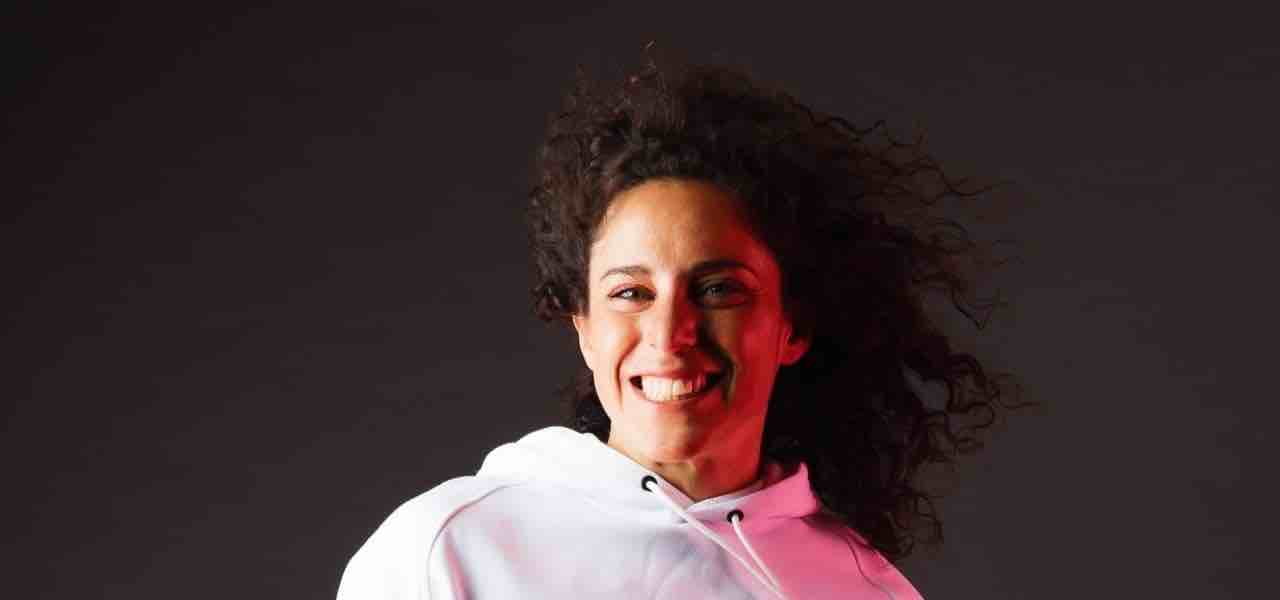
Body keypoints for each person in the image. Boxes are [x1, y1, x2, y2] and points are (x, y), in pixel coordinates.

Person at [336, 55, 1021, 599]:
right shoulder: (448, 554)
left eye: (718, 289)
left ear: (793, 325)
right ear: (584, 328)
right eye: (631, 293)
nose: (670, 333)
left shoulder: (864, 589)